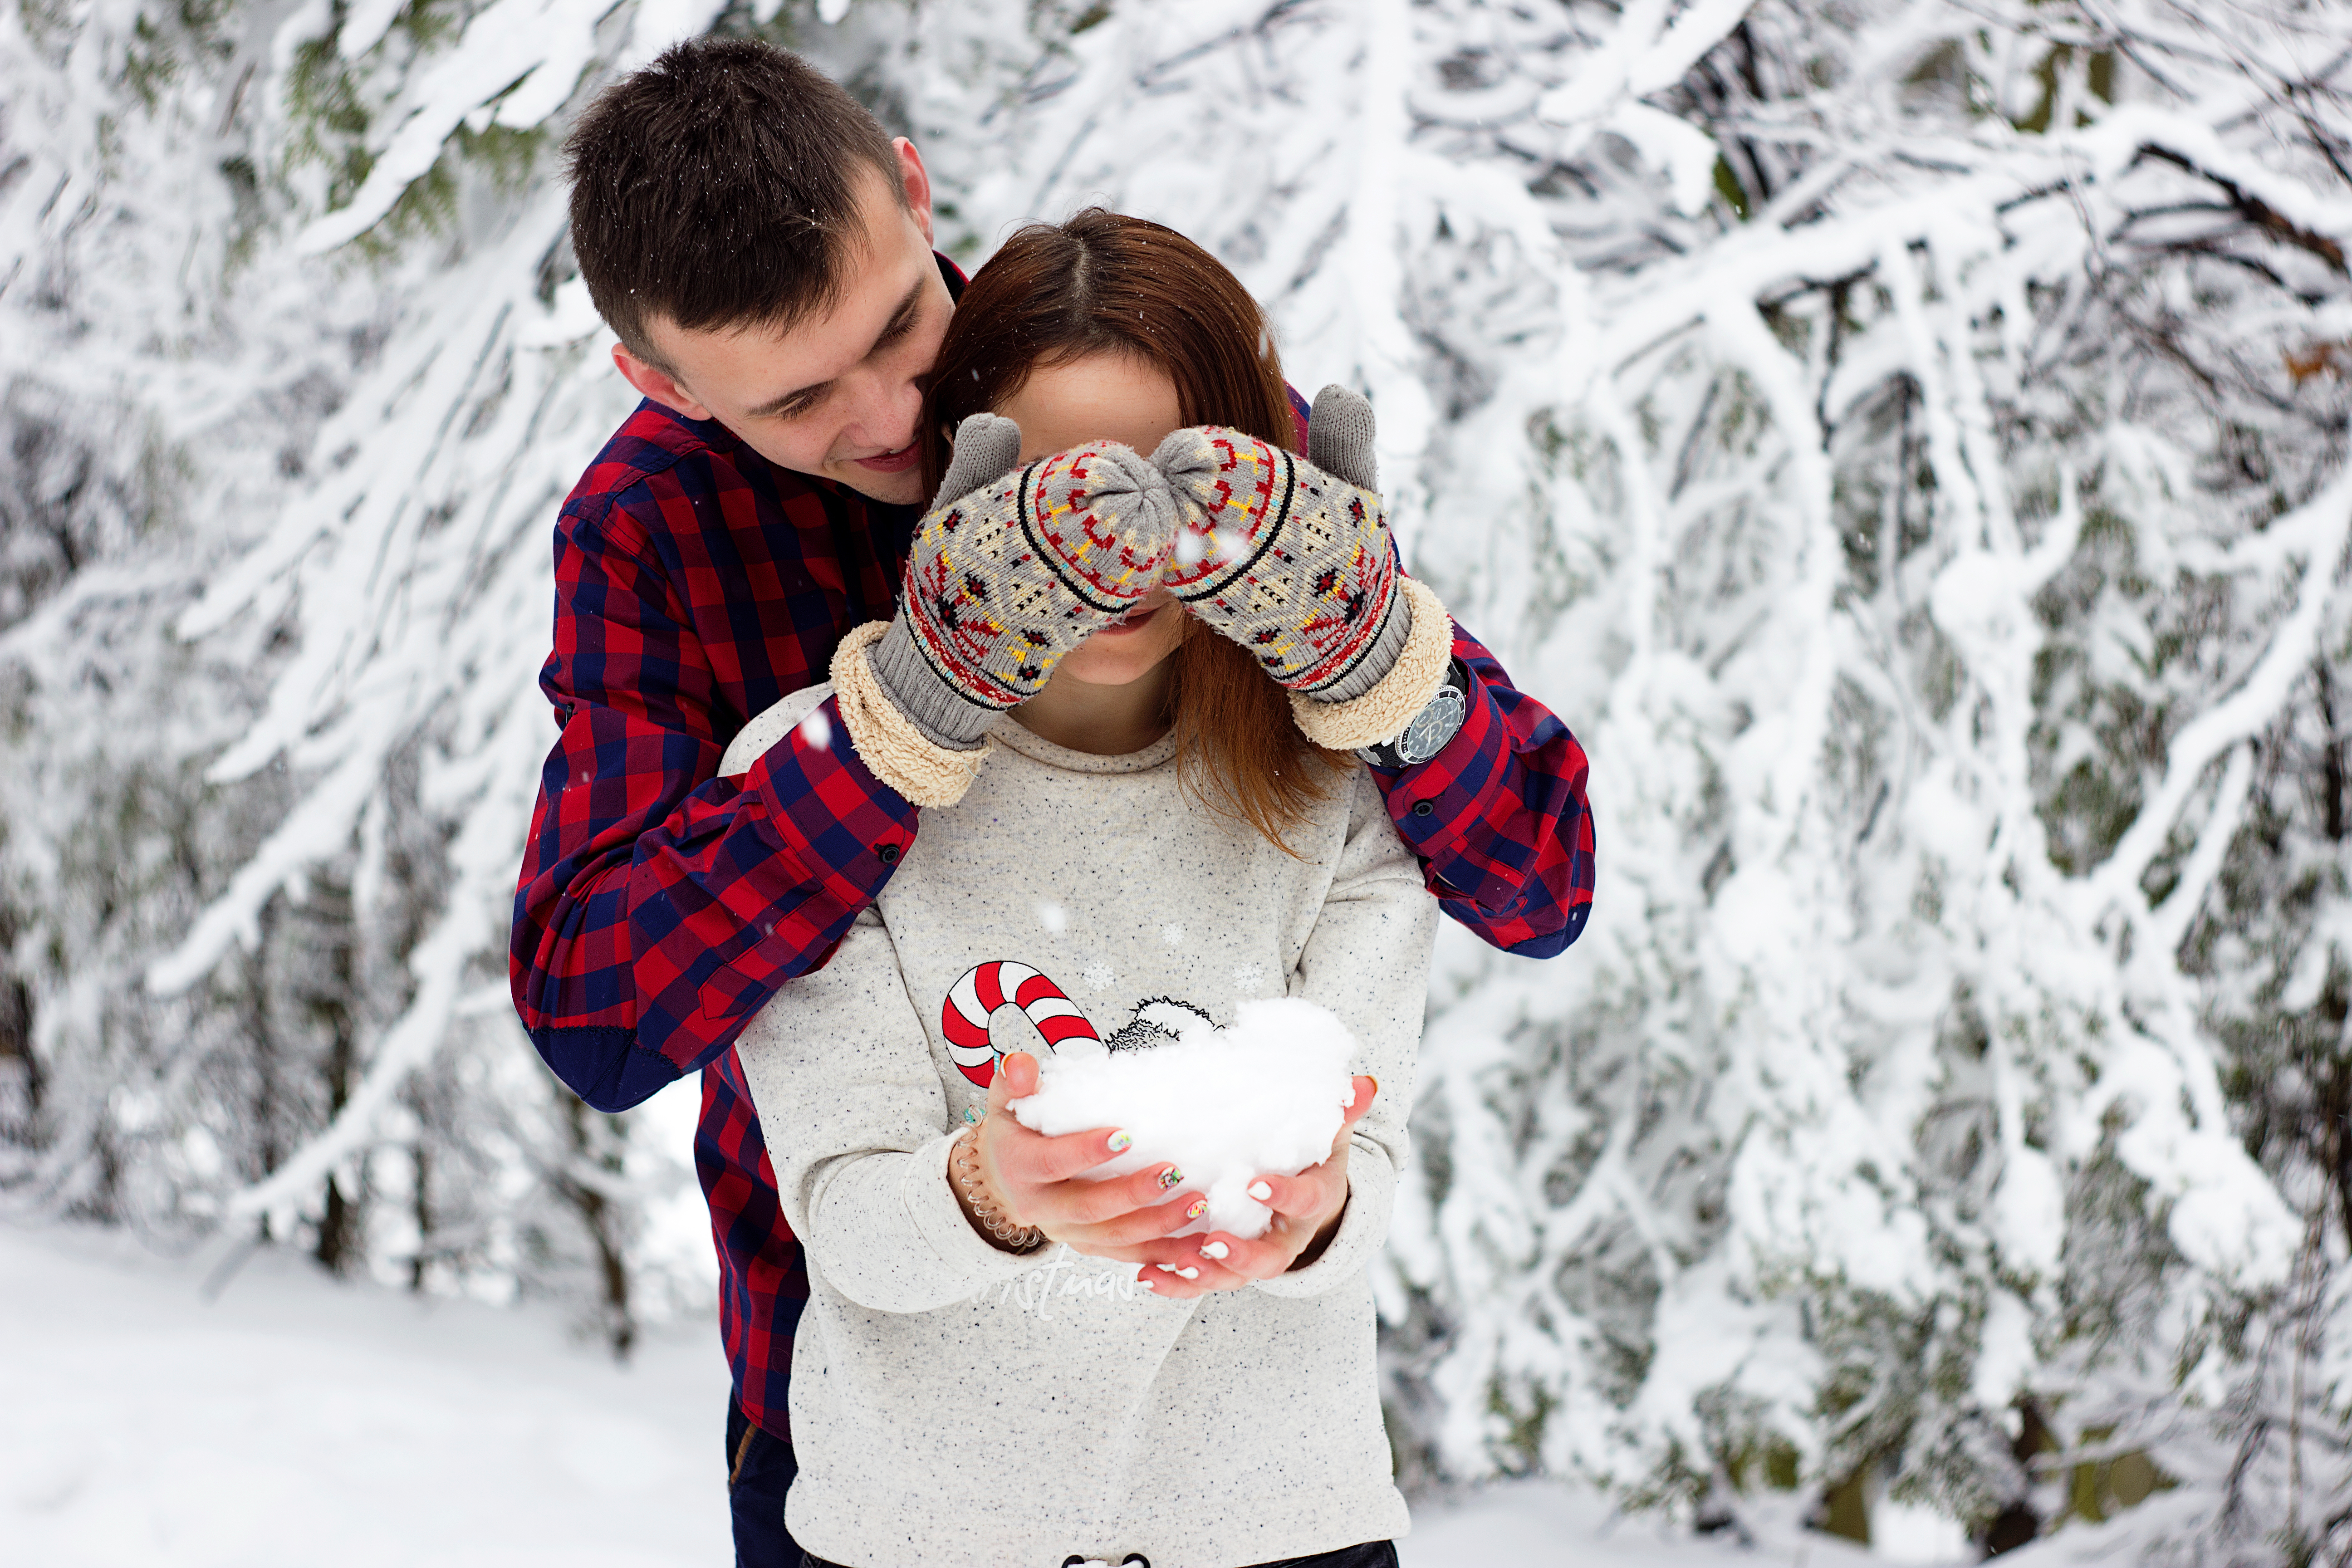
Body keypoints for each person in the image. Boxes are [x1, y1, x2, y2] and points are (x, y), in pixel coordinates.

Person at [508, 35, 1595, 1568]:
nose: (894, 415)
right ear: (662, 383)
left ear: (911, 184)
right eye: (800, 399)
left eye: (900, 326)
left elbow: (1538, 880)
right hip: (866, 1410)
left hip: (1239, 1440)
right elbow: (599, 1014)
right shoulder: (654, 533)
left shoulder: (1109, 381)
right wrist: (899, 730)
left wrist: (1379, 662)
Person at [725, 207, 1436, 1568]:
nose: (1116, 548)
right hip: (915, 1537)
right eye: (1061, 491)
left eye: (1175, 489)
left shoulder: (1339, 786)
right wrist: (994, 1188)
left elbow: (1372, 1177)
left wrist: (1313, 1216)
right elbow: (851, 1220)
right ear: (960, 487)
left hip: (1281, 1528)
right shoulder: (816, 779)